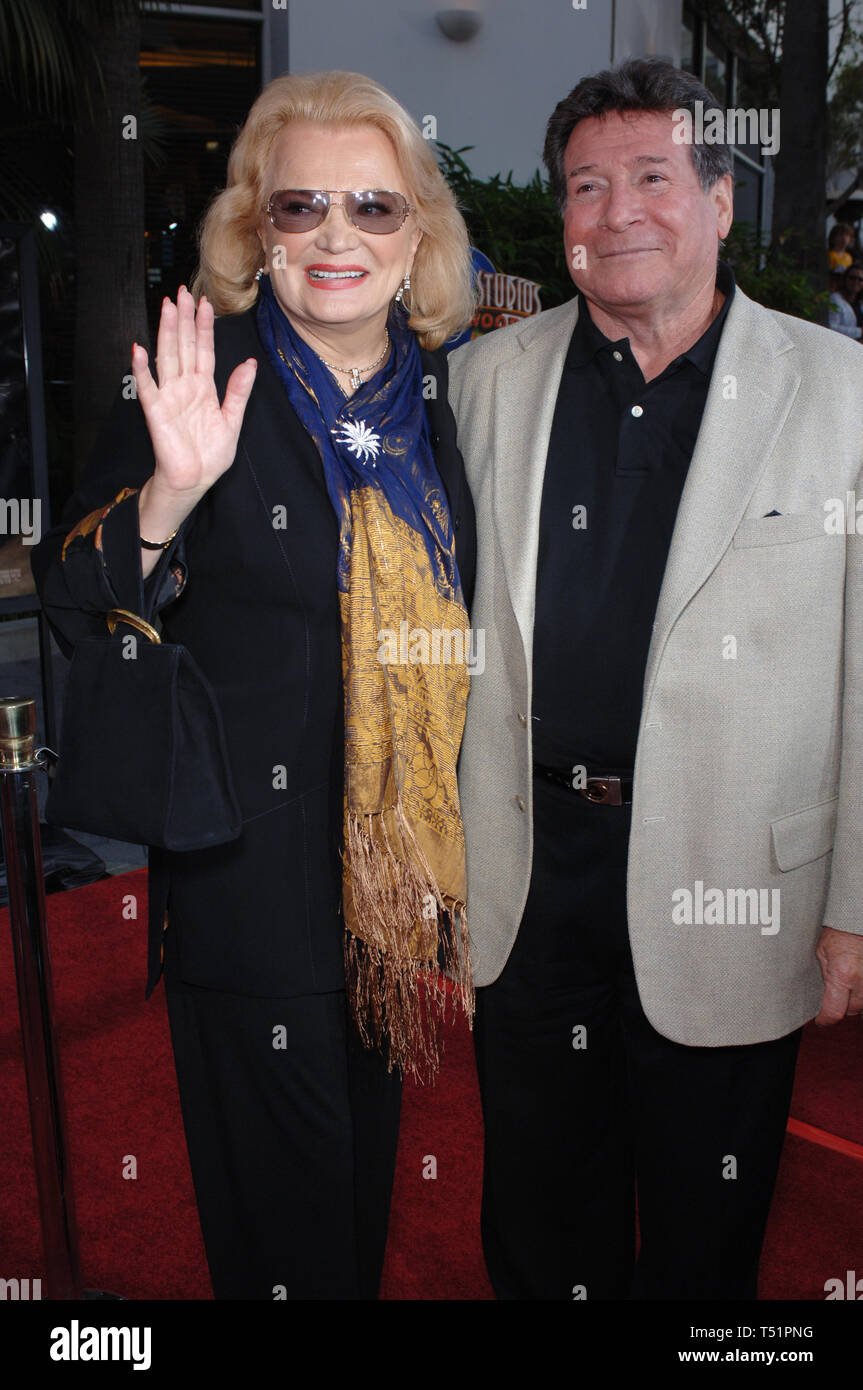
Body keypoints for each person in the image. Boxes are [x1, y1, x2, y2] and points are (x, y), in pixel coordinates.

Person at [31, 70, 477, 1300]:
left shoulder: (445, 403)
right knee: (283, 1228)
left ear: (417, 238)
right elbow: (75, 601)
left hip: (393, 899)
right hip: (249, 884)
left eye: (373, 208)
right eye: (300, 207)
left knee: (361, 1199)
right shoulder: (198, 376)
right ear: (255, 230)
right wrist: (169, 497)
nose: (337, 235)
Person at [448, 57, 863, 1301]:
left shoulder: (840, 392)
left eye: (650, 176)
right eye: (585, 184)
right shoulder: (481, 380)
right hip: (524, 879)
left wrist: (852, 903)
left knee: (704, 1244)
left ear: (719, 202)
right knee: (534, 1224)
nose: (617, 210)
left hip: (734, 887)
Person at [829, 263, 863, 338]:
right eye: (852, 278)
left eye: (860, 279)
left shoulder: (860, 303)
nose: (856, 282)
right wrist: (859, 331)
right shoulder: (834, 299)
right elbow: (831, 327)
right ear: (845, 279)